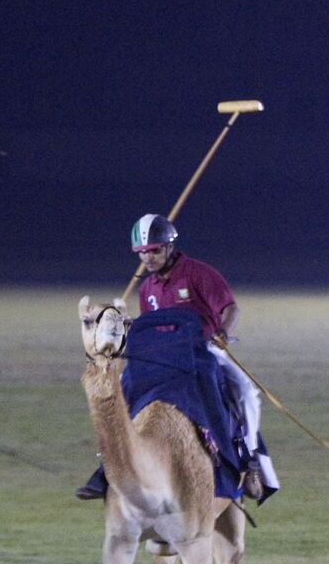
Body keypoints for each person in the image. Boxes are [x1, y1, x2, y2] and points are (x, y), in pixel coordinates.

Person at [75, 214, 278, 501]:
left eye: (155, 250)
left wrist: (221, 331)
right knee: (119, 388)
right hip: (162, 355)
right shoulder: (147, 289)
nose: (149, 257)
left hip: (202, 350)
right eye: (143, 252)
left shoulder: (198, 273)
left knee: (246, 393)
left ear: (170, 247)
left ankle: (250, 461)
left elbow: (231, 309)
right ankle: (106, 466)